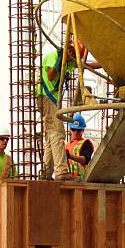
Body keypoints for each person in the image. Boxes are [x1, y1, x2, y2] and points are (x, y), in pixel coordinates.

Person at [35, 41, 100, 181]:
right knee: (58, 133)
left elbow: (87, 66)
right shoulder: (54, 56)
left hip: (50, 99)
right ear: (67, 49)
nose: (71, 56)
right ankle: (61, 172)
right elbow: (51, 75)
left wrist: (106, 64)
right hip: (47, 97)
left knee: (51, 136)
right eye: (70, 52)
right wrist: (60, 60)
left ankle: (46, 173)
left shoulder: (69, 61)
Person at [65, 113, 94, 181]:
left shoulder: (86, 143)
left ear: (83, 130)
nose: (76, 132)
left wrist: (70, 156)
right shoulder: (66, 145)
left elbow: (86, 160)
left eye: (78, 130)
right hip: (69, 180)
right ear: (70, 129)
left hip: (82, 180)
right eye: (73, 129)